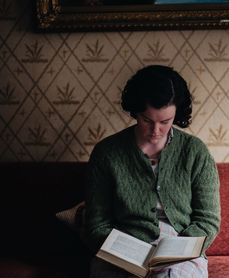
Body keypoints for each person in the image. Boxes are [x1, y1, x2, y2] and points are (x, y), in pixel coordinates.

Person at [83, 65, 220, 277]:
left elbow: (207, 221)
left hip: (180, 247)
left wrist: (182, 249)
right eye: (147, 120)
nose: (155, 131)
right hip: (122, 247)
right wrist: (117, 249)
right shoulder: (107, 153)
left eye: (165, 122)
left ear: (177, 114)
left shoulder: (195, 152)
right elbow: (96, 223)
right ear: (136, 111)